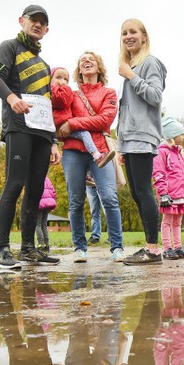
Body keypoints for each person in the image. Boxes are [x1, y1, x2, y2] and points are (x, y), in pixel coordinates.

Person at [0, 5, 61, 269]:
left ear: (47, 29)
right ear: (22, 21)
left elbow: (48, 101)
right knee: (14, 184)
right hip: (18, 126)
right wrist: (11, 98)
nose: (38, 25)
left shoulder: (44, 65)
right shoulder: (9, 47)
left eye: (43, 23)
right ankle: (1, 251)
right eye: (33, 20)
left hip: (42, 132)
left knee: (35, 191)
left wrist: (53, 141)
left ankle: (28, 249)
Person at [58, 51, 124, 263]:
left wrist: (74, 123)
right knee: (75, 200)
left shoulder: (109, 93)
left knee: (109, 198)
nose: (86, 61)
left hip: (101, 152)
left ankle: (117, 247)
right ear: (78, 69)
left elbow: (105, 121)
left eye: (91, 59)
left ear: (99, 67)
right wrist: (67, 125)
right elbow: (61, 124)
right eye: (82, 60)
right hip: (72, 152)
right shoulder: (70, 94)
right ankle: (79, 248)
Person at [117, 18, 167, 266]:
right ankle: (150, 246)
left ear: (144, 36)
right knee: (137, 192)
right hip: (129, 138)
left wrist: (131, 76)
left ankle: (153, 250)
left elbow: (155, 96)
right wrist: (120, 144)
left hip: (143, 135)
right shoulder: (131, 66)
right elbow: (125, 109)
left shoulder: (150, 63)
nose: (128, 36)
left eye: (133, 31)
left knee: (144, 190)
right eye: (124, 32)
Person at [50, 66, 115, 169]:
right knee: (84, 134)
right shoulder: (54, 92)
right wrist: (65, 88)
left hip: (63, 125)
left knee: (84, 135)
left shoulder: (109, 92)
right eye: (58, 77)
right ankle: (97, 155)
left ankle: (89, 171)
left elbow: (105, 120)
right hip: (61, 124)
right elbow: (62, 101)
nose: (62, 81)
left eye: (65, 79)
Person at [154, 117, 184, 260]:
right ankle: (167, 248)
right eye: (181, 134)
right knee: (167, 222)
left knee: (177, 223)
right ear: (172, 135)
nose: (183, 137)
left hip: (181, 194)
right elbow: (158, 173)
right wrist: (163, 193)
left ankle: (178, 247)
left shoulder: (180, 154)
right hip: (169, 195)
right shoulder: (162, 152)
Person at [35, 175, 56, 254]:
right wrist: (53, 201)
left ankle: (41, 245)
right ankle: (47, 245)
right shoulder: (47, 179)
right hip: (48, 203)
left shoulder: (36, 177)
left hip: (40, 203)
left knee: (38, 225)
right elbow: (53, 191)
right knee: (44, 225)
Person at [85, 172, 103, 245]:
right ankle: (95, 237)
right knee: (94, 212)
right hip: (90, 186)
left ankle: (112, 237)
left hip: (102, 183)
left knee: (108, 211)